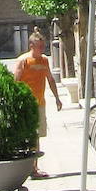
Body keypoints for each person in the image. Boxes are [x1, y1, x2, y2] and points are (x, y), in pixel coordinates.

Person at [14, 29, 63, 178]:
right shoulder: (23, 61)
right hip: (26, 103)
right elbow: (15, 82)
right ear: (31, 46)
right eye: (39, 46)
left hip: (40, 102)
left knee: (37, 135)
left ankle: (34, 167)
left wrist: (57, 98)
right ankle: (31, 168)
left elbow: (50, 79)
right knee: (30, 135)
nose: (42, 49)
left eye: (43, 46)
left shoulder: (44, 60)